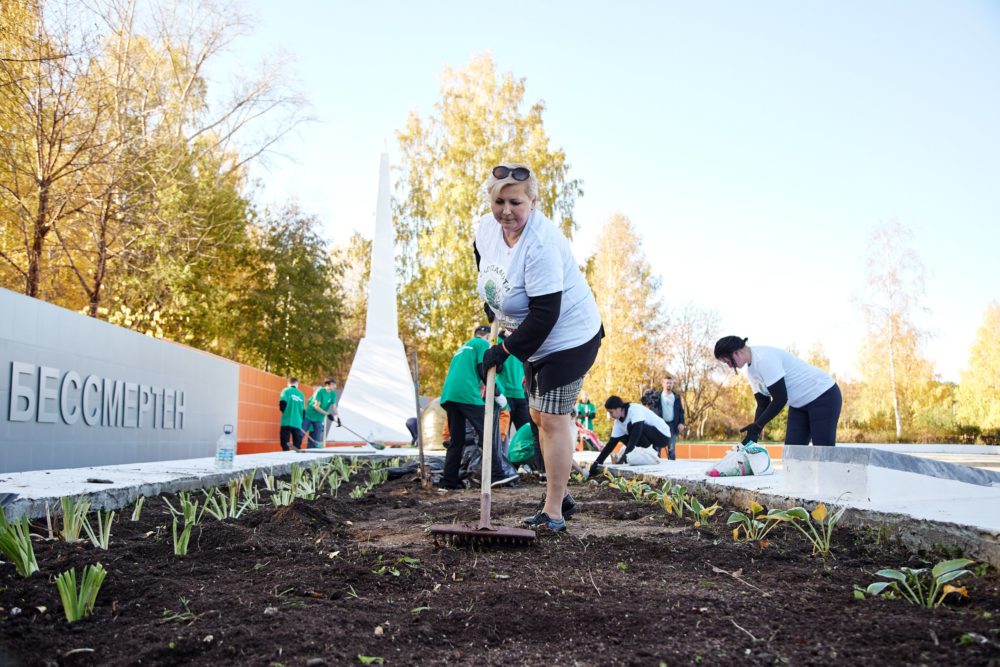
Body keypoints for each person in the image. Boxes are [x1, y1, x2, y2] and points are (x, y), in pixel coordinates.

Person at [474, 163, 603, 532]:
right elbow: (483, 260)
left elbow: (546, 314)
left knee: (552, 418)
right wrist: (493, 302)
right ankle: (562, 494)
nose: (506, 211)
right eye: (499, 202)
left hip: (568, 337)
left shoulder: (541, 244)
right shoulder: (487, 228)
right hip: (533, 338)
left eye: (515, 202)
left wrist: (504, 351)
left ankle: (554, 511)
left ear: (532, 201)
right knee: (535, 414)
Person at [713, 336, 842, 446]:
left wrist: (758, 426)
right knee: (792, 453)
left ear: (736, 353)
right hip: (798, 405)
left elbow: (780, 399)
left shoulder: (764, 358)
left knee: (823, 452)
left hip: (822, 395)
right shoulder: (751, 372)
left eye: (728, 361)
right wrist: (754, 432)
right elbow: (763, 404)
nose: (729, 366)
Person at [438, 324, 519, 490]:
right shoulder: (482, 344)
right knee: (487, 432)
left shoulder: (463, 348)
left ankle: (449, 481)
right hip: (466, 393)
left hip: (449, 395)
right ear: (488, 337)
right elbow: (484, 369)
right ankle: (496, 475)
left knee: (456, 440)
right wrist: (497, 393)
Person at [588, 395, 669, 478]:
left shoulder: (634, 409)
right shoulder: (618, 423)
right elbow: (610, 445)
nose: (610, 415)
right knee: (621, 436)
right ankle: (647, 452)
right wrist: (597, 463)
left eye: (611, 412)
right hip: (647, 436)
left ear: (618, 409)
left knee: (632, 427)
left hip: (662, 436)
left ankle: (651, 451)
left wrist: (623, 458)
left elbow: (635, 436)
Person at [646, 374, 685, 460]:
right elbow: (650, 406)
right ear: (663, 384)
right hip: (660, 425)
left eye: (671, 383)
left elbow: (681, 411)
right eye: (667, 383)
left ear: (673, 384)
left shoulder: (676, 397)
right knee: (657, 448)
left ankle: (672, 466)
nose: (669, 385)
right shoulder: (657, 395)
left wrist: (681, 423)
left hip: (672, 425)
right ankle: (656, 465)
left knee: (671, 449)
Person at [302, 378, 340, 448]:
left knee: (316, 438)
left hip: (319, 418)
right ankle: (295, 447)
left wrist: (338, 418)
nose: (335, 386)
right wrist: (328, 414)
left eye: (335, 384)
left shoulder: (333, 393)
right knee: (301, 433)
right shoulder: (320, 391)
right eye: (333, 384)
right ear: (327, 385)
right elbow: (316, 407)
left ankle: (311, 451)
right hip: (309, 415)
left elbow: (334, 407)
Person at [278, 377, 305, 451]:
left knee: (285, 443)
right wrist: (301, 421)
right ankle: (296, 455)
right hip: (297, 423)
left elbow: (282, 404)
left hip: (287, 421)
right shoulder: (301, 394)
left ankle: (286, 454)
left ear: (288, 383)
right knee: (297, 445)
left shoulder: (286, 390)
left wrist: (285, 412)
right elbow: (303, 411)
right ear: (297, 384)